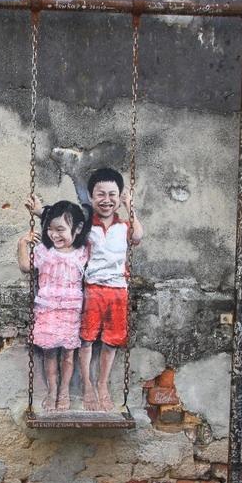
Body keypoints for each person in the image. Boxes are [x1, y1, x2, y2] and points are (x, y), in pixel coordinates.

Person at [78, 167, 143, 410]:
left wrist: (130, 206)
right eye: (101, 194)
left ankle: (102, 384)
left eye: (112, 195)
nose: (106, 200)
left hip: (118, 291)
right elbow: (59, 222)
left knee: (111, 341)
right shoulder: (85, 227)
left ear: (120, 197)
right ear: (91, 196)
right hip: (93, 289)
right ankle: (87, 386)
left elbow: (138, 237)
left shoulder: (124, 226)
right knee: (86, 339)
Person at [17, 200, 91, 411]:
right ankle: (52, 391)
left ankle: (64, 391)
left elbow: (88, 228)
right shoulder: (44, 251)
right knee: (50, 353)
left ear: (77, 229)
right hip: (47, 309)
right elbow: (25, 267)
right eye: (49, 229)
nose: (54, 234)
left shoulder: (82, 252)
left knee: (68, 354)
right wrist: (22, 243)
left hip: (70, 309)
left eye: (60, 230)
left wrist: (43, 212)